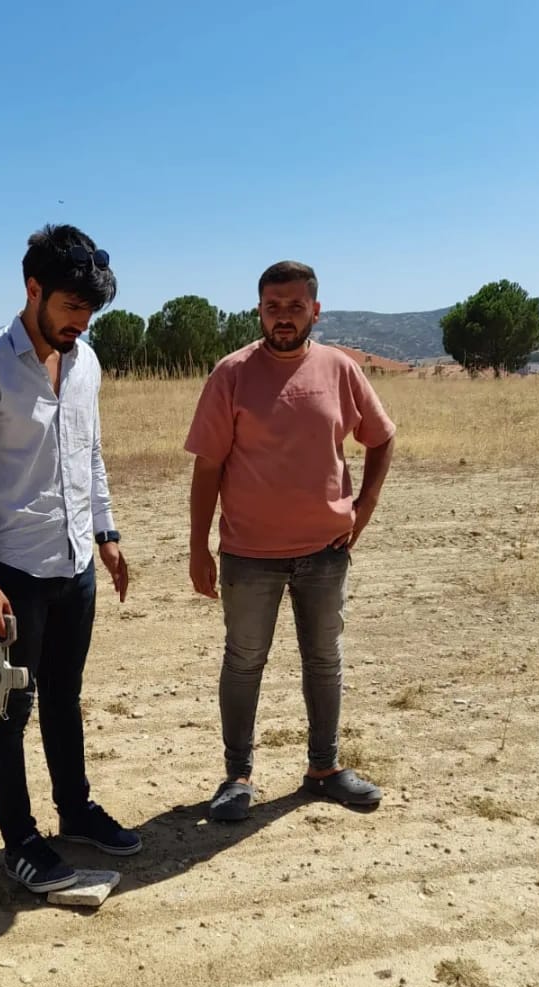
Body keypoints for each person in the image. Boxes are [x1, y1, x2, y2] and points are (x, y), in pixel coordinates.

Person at [0, 223, 140, 893]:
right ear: (33, 289)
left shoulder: (86, 363)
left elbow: (90, 453)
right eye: (70, 306)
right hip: (14, 574)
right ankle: (20, 841)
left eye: (90, 311)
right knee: (7, 708)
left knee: (66, 696)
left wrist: (106, 533)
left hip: (75, 564)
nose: (80, 323)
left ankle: (75, 809)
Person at [184, 260, 396, 822]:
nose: (283, 317)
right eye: (273, 307)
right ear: (259, 310)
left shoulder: (340, 369)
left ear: (315, 311)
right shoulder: (231, 374)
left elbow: (381, 438)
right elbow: (208, 467)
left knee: (324, 660)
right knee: (243, 661)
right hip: (249, 554)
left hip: (325, 551)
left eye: (295, 307)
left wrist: (364, 507)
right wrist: (198, 547)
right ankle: (237, 776)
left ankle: (324, 769)